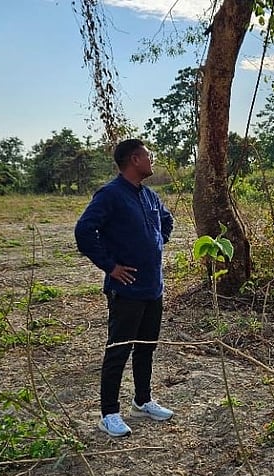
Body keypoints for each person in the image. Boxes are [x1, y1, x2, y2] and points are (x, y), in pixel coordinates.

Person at [74, 139, 175, 437]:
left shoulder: (150, 196)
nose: (152, 159)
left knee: (146, 348)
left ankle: (142, 401)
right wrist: (111, 266)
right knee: (118, 351)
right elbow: (84, 231)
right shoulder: (110, 195)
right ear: (134, 159)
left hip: (153, 288)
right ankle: (109, 414)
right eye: (148, 155)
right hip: (126, 290)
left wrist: (156, 243)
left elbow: (167, 221)